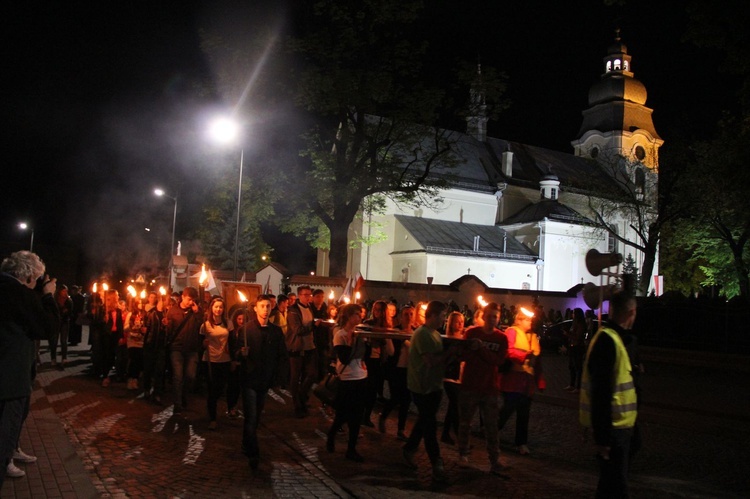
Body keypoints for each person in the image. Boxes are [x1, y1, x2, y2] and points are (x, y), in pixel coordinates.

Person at [1, 251, 55, 485]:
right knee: (5, 431)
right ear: (29, 275)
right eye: (37, 278)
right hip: (9, 380)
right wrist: (48, 297)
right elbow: (48, 328)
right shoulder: (19, 294)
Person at [580, 292, 638, 498]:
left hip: (619, 427)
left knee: (609, 487)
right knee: (616, 487)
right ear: (632, 312)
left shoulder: (613, 339)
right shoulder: (608, 341)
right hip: (614, 429)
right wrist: (602, 438)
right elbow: (601, 393)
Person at [230, 295, 288, 470]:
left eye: (268, 306)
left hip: (265, 380)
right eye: (262, 306)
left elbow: (281, 356)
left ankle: (246, 442)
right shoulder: (246, 330)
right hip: (249, 379)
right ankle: (253, 453)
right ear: (255, 308)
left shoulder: (275, 331)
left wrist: (280, 378)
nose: (265, 309)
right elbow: (235, 354)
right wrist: (242, 353)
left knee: (256, 417)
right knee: (251, 415)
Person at [402, 300, 457, 483]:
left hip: (433, 386)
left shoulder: (435, 334)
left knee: (424, 421)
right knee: (430, 425)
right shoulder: (423, 334)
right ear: (432, 315)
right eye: (442, 316)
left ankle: (409, 449)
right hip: (422, 387)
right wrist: (450, 354)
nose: (444, 319)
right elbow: (431, 361)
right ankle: (436, 463)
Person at [457, 303, 509, 475]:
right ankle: (463, 454)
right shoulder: (471, 333)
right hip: (470, 384)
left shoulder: (501, 338)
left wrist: (481, 350)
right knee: (465, 422)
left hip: (490, 387)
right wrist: (475, 349)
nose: (492, 319)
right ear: (483, 315)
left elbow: (499, 361)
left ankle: (494, 459)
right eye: (490, 315)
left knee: (491, 426)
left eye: (495, 316)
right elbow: (463, 355)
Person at [497, 306, 544, 455]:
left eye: (531, 319)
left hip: (527, 382)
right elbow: (509, 350)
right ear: (519, 320)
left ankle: (521, 442)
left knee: (524, 413)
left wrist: (540, 380)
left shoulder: (533, 336)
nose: (530, 322)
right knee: (508, 409)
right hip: (513, 380)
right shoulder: (512, 332)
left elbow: (538, 361)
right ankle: (492, 431)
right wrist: (524, 356)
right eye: (527, 319)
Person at [326, 303, 368, 462]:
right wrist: (351, 342)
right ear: (349, 316)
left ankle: (351, 449)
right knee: (343, 414)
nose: (360, 317)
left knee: (357, 416)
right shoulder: (340, 334)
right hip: (347, 379)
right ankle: (331, 434)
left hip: (361, 376)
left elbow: (364, 354)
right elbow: (344, 358)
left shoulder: (360, 332)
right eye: (357, 314)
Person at [379, 305, 415, 440]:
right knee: (395, 397)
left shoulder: (416, 332)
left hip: (409, 370)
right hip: (396, 369)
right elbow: (391, 351)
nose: (409, 317)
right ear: (401, 316)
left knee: (406, 400)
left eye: (411, 314)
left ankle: (401, 429)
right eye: (406, 314)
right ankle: (383, 416)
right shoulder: (395, 331)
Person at [166, 287, 203, 413]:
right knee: (178, 376)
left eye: (193, 300)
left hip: (192, 349)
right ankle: (177, 403)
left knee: (190, 376)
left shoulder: (196, 311)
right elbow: (169, 330)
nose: (190, 302)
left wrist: (197, 313)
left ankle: (183, 395)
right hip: (177, 348)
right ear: (183, 297)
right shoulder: (173, 310)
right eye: (188, 299)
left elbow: (202, 326)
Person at [285, 285, 317, 418]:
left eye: (310, 295)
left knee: (311, 374)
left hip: (309, 346)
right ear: (299, 295)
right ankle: (297, 404)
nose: (308, 297)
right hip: (297, 347)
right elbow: (297, 330)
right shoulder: (293, 311)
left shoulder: (309, 308)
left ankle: (302, 396)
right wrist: (313, 326)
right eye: (305, 295)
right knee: (295, 376)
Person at [201, 297, 231, 430]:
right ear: (211, 308)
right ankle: (212, 417)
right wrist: (204, 343)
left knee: (220, 388)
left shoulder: (228, 323)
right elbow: (200, 343)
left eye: (221, 307)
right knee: (212, 390)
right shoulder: (205, 325)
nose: (218, 309)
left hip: (224, 359)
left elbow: (232, 340)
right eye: (216, 307)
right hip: (210, 360)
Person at [441, 311, 465, 445]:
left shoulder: (463, 338)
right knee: (455, 404)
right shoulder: (448, 339)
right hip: (449, 376)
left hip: (460, 375)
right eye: (457, 321)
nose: (461, 324)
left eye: (462, 321)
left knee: (453, 406)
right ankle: (459, 435)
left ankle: (445, 433)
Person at [564, 307, 587, 392]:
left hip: (578, 347)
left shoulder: (580, 324)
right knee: (572, 366)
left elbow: (578, 337)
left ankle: (578, 387)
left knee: (578, 367)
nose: (572, 314)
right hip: (572, 346)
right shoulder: (574, 323)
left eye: (573, 313)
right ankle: (572, 384)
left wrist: (568, 335)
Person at [125, 300, 146, 390]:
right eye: (139, 303)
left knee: (139, 361)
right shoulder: (130, 315)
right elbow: (125, 327)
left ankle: (135, 379)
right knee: (133, 360)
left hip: (141, 342)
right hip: (132, 341)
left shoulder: (145, 315)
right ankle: (130, 379)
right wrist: (131, 327)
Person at [51, 284, 73, 368]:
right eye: (63, 291)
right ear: (59, 292)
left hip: (64, 322)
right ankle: (53, 358)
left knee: (64, 341)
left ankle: (64, 358)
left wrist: (66, 312)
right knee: (54, 341)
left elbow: (70, 311)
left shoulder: (69, 300)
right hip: (56, 323)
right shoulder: (54, 300)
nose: (65, 292)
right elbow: (53, 311)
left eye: (66, 291)